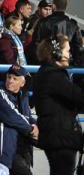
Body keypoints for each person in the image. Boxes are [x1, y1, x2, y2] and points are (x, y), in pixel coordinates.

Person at [32, 35, 84, 175]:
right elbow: (79, 97)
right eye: (67, 50)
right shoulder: (53, 75)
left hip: (58, 136)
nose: (69, 54)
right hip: (60, 138)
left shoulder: (49, 73)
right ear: (56, 53)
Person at [0, 63, 37, 175]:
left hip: (22, 146)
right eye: (9, 77)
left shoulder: (23, 95)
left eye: (15, 79)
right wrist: (31, 129)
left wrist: (37, 125)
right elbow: (13, 116)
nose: (10, 81)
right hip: (6, 149)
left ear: (22, 83)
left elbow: (27, 117)